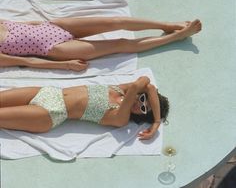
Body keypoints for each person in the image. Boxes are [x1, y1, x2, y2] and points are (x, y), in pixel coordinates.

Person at [0, 16, 202, 72]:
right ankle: (176, 37)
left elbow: (23, 24)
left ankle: (168, 24)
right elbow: (27, 62)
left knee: (116, 21)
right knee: (120, 43)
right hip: (53, 49)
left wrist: (45, 22)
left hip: (52, 25)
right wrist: (65, 65)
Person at [0, 76, 169, 140]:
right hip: (47, 92)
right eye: (142, 100)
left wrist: (154, 122)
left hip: (50, 113)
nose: (139, 104)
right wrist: (155, 121)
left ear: (141, 116)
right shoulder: (121, 89)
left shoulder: (121, 118)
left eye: (144, 109)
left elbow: (140, 85)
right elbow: (149, 86)